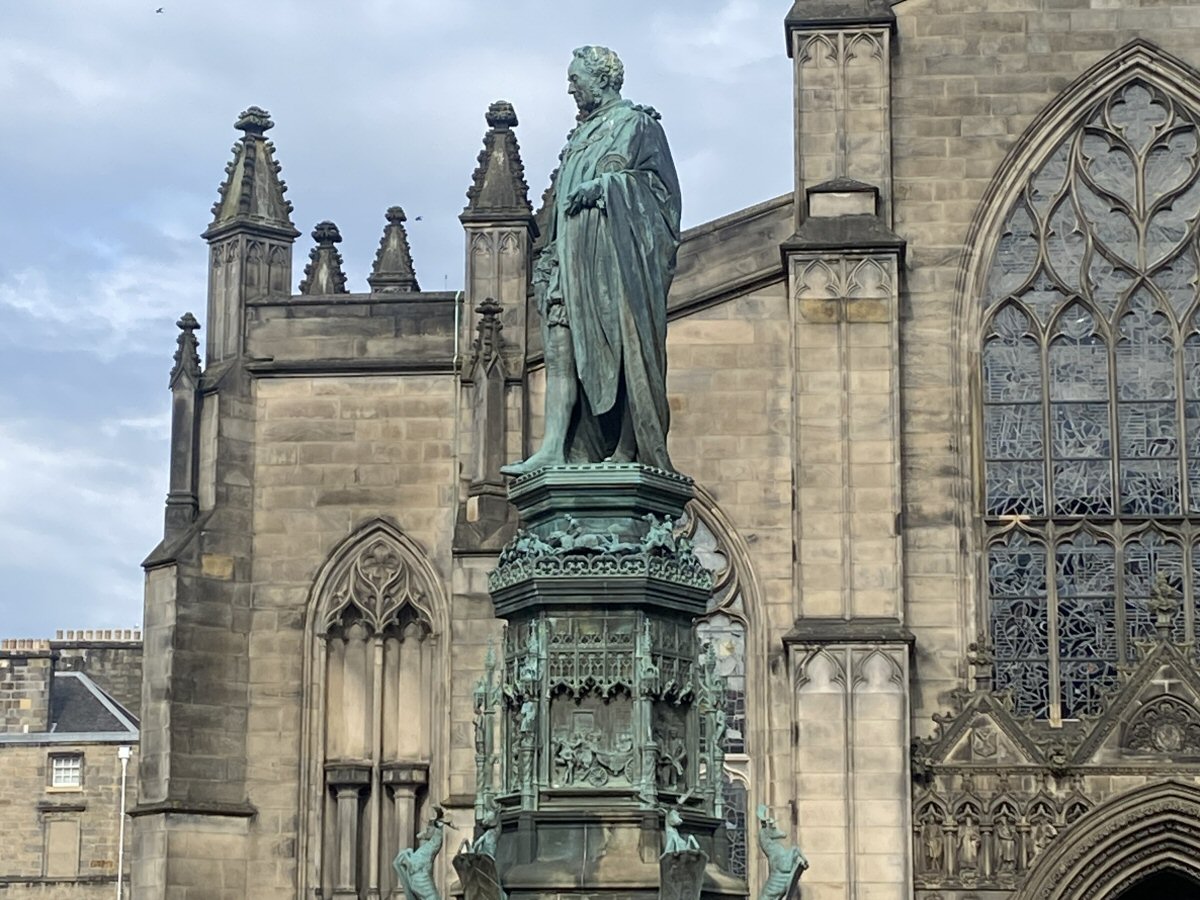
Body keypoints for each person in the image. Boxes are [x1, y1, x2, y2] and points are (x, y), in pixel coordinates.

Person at [501, 45, 681, 476]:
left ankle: (627, 446)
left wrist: (606, 188)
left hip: (613, 264)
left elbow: (662, 195)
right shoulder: (580, 136)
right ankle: (553, 447)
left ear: (601, 79)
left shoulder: (637, 124)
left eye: (575, 79)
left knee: (626, 353)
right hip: (569, 263)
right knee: (559, 350)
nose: (570, 88)